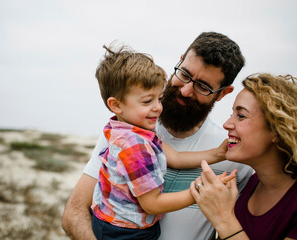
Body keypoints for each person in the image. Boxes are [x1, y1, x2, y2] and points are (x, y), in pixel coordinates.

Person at [62, 32, 254, 240]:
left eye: (203, 86)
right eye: (184, 74)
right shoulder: (127, 130)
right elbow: (74, 214)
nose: (186, 90)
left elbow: (235, 230)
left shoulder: (237, 159)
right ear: (180, 60)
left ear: (223, 93)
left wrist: (219, 154)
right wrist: (199, 191)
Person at [91, 44, 232, 240]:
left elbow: (175, 158)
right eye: (147, 101)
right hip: (127, 233)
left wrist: (218, 153)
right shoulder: (135, 145)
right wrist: (200, 192)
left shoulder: (125, 130)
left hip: (107, 220)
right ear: (116, 105)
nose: (158, 108)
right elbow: (152, 204)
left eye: (159, 98)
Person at [191, 73, 297, 240]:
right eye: (231, 114)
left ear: (278, 130)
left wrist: (223, 218)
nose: (226, 124)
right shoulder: (254, 183)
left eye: (241, 116)